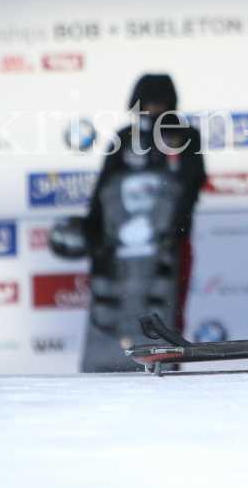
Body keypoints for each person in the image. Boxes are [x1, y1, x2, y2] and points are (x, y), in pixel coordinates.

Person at [78, 74, 206, 372]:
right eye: (147, 102)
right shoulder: (124, 138)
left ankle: (168, 363)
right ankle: (113, 360)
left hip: (170, 243)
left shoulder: (185, 137)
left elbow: (192, 185)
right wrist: (95, 236)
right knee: (116, 305)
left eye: (159, 103)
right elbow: (103, 190)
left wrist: (174, 231)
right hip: (121, 246)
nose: (153, 109)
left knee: (169, 305)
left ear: (171, 103)